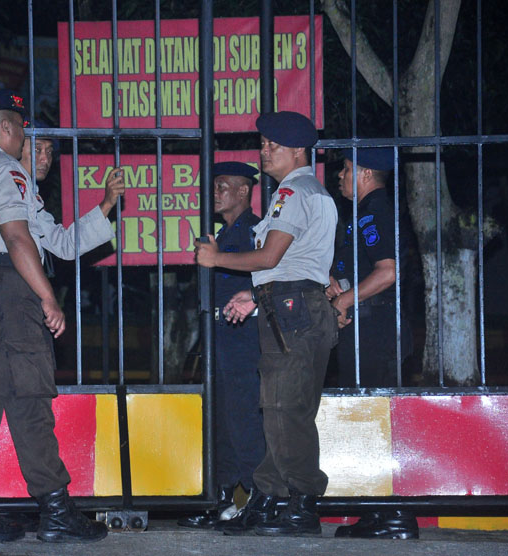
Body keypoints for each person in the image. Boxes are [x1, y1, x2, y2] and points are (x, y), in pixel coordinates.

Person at [0, 89, 125, 546]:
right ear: (5, 128)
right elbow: (19, 239)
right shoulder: (6, 170)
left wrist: (105, 207)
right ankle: (56, 509)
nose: (23, 136)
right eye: (20, 127)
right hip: (6, 293)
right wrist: (48, 299)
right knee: (29, 396)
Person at [195, 111, 338, 537]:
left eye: (272, 145)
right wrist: (255, 295)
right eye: (262, 143)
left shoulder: (295, 190)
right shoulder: (308, 191)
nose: (264, 151)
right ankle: (272, 498)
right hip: (290, 305)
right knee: (282, 408)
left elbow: (272, 257)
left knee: (283, 409)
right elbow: (297, 264)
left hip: (293, 310)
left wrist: (216, 258)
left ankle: (302, 501)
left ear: (297, 150)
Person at [326, 147, 418, 539]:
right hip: (365, 328)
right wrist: (336, 288)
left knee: (378, 422)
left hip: (377, 329)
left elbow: (387, 272)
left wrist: (345, 301)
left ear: (364, 172)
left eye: (346, 169)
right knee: (367, 420)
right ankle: (378, 511)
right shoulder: (362, 212)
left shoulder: (374, 208)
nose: (340, 176)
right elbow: (356, 267)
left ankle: (395, 515)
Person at [178, 161, 265, 530]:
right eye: (213, 186)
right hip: (219, 341)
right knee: (221, 422)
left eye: (223, 186)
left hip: (244, 341)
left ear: (244, 192)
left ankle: (260, 495)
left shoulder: (255, 231)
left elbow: (268, 276)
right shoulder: (220, 234)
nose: (214, 192)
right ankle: (223, 495)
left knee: (245, 419)